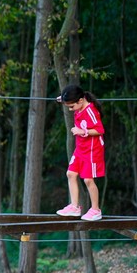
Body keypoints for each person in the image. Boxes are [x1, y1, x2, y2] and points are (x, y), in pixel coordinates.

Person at [55, 85, 105, 221]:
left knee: (88, 179)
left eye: (71, 107)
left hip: (92, 150)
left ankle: (95, 210)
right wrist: (63, 99)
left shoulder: (90, 112)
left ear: (81, 101)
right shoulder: (78, 103)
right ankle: (74, 207)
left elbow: (100, 130)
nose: (70, 110)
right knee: (70, 174)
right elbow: (71, 101)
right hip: (81, 148)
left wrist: (83, 132)